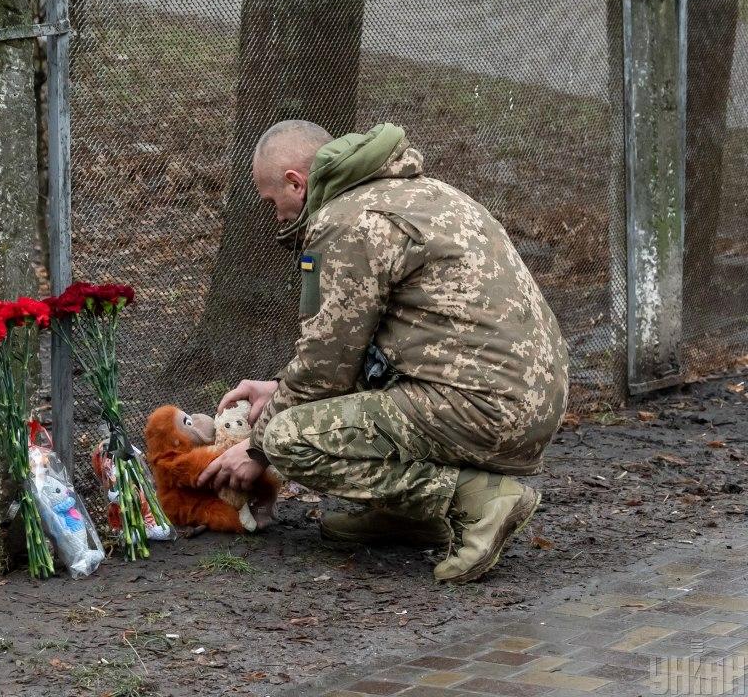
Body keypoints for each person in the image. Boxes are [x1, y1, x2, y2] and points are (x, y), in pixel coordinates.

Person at [197, 120, 569, 583]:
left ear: (296, 182)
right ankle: (409, 516)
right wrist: (278, 387)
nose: (277, 216)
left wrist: (256, 451)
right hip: (528, 397)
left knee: (288, 439)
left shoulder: (346, 222)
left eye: (273, 203)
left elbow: (325, 368)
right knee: (322, 408)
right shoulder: (426, 192)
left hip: (481, 407)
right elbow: (360, 348)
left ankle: (475, 499)